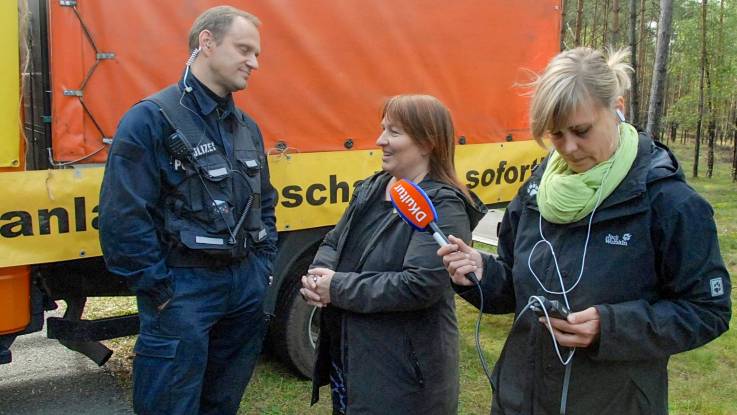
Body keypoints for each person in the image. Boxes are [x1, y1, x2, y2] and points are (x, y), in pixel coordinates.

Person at [438, 47, 731, 415]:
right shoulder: (538, 191)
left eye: (581, 131)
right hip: (520, 399)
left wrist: (612, 327)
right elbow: (515, 288)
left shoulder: (670, 203)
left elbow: (708, 311)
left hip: (615, 402)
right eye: (555, 135)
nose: (569, 148)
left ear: (617, 107)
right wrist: (479, 272)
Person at [98, 6, 277, 415]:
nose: (254, 62)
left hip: (244, 287)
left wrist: (262, 268)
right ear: (207, 42)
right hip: (183, 290)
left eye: (258, 54)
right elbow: (122, 217)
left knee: (221, 402)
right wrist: (160, 291)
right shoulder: (150, 120)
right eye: (245, 49)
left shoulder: (246, 126)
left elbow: (264, 202)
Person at [300, 95, 486, 414]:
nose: (380, 140)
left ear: (427, 142)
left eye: (394, 132)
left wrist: (337, 287)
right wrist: (319, 275)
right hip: (351, 360)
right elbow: (334, 241)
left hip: (402, 376)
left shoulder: (444, 206)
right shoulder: (375, 186)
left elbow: (419, 285)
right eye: (383, 128)